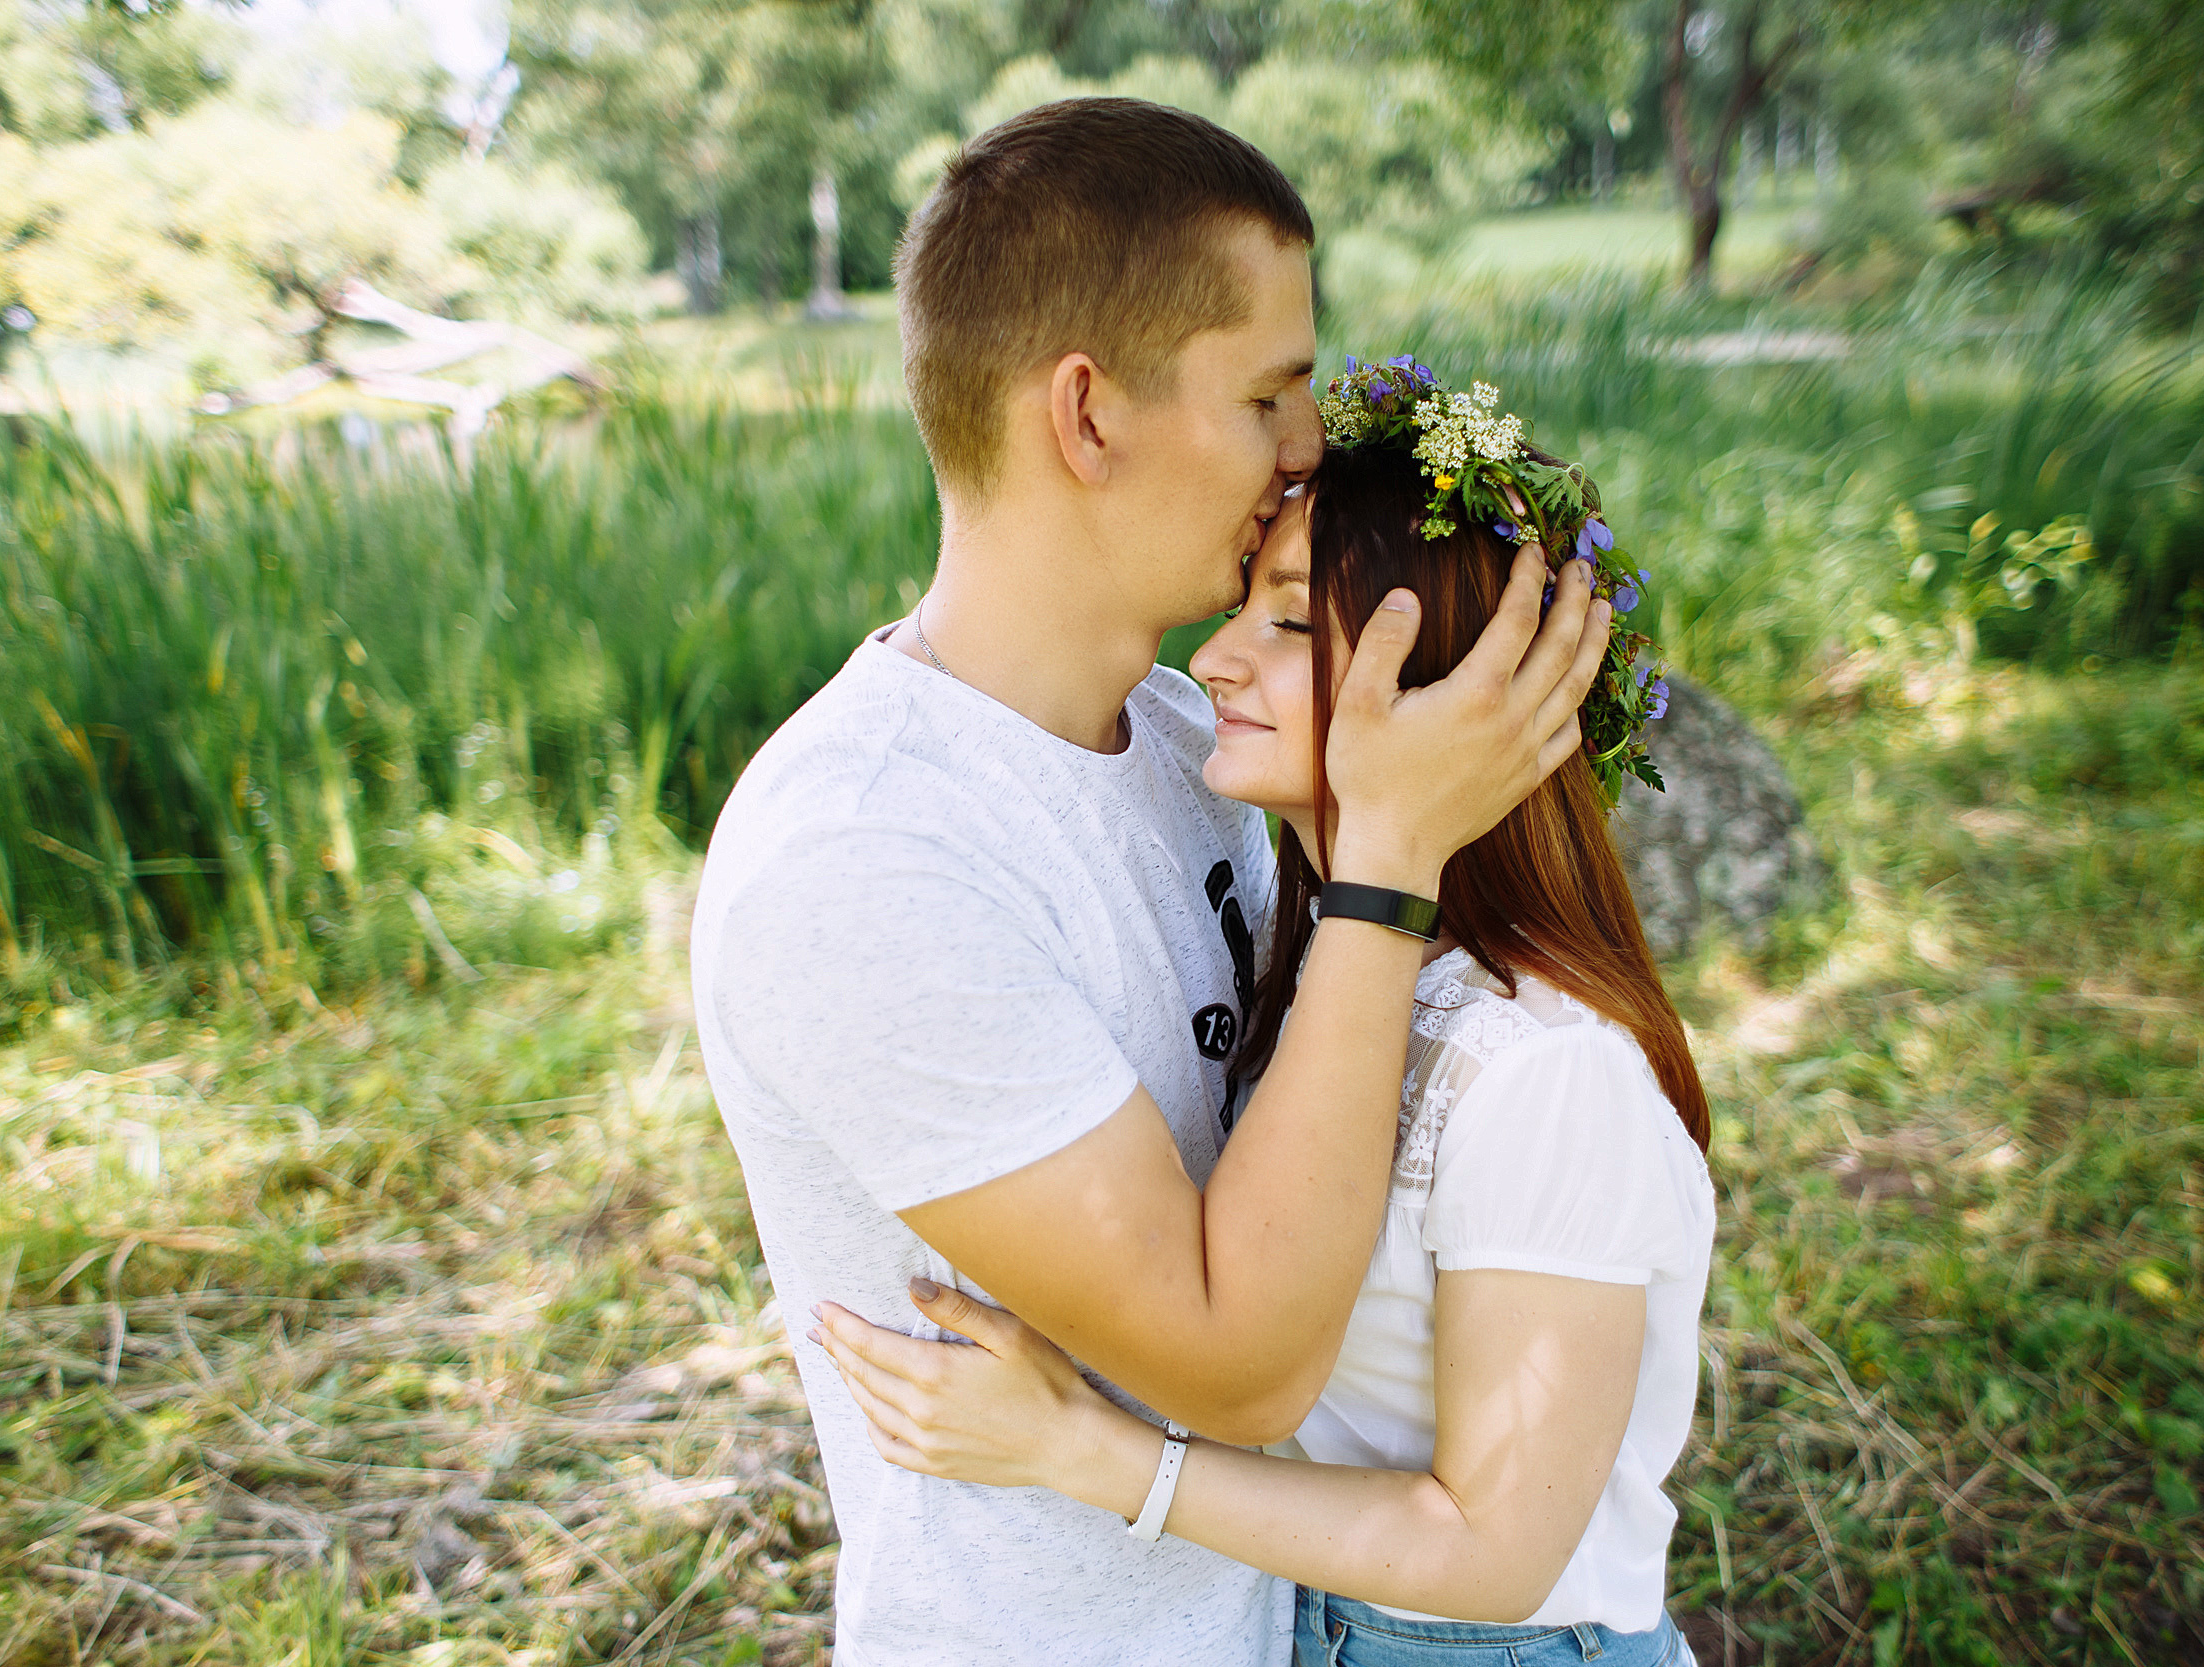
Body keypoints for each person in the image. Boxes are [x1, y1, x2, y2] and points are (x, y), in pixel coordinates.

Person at [688, 103, 1616, 1666]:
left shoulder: (1192, 738)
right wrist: (1385, 865)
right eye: (1268, 392)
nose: (1310, 446)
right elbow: (1237, 1368)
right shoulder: (862, 857)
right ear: (1089, 417)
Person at [809, 360, 1714, 1667]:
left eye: (1292, 626)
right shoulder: (1342, 972)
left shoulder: (1543, 1072)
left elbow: (1499, 1551)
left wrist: (1081, 1447)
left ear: (1455, 682)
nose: (1215, 659)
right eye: (1243, 603)